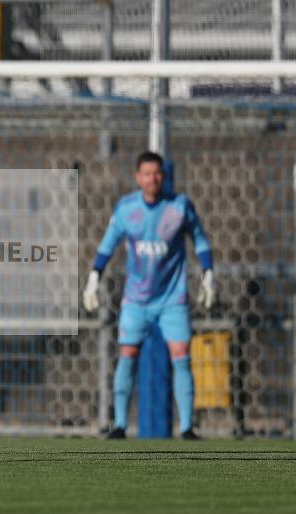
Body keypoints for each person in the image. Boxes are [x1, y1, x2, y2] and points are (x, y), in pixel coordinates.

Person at [83, 151, 214, 440]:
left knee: (181, 356)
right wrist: (94, 277)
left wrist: (208, 274)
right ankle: (119, 425)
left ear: (162, 177)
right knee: (127, 355)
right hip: (136, 300)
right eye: (146, 173)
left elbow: (200, 239)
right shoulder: (126, 209)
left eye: (156, 173)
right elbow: (108, 244)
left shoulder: (179, 207)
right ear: (137, 177)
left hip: (172, 298)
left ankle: (188, 427)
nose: (152, 179)